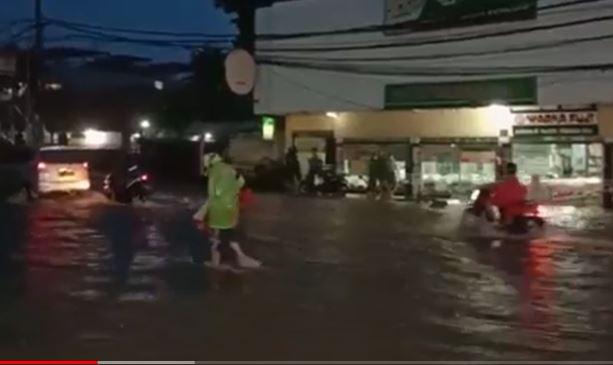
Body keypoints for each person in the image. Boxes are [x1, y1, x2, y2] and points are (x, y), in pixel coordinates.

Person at [204, 153, 245, 268]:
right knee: (228, 233)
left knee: (216, 237)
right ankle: (239, 257)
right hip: (232, 206)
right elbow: (241, 182)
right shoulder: (230, 169)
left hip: (219, 207)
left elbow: (212, 192)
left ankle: (215, 263)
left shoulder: (214, 171)